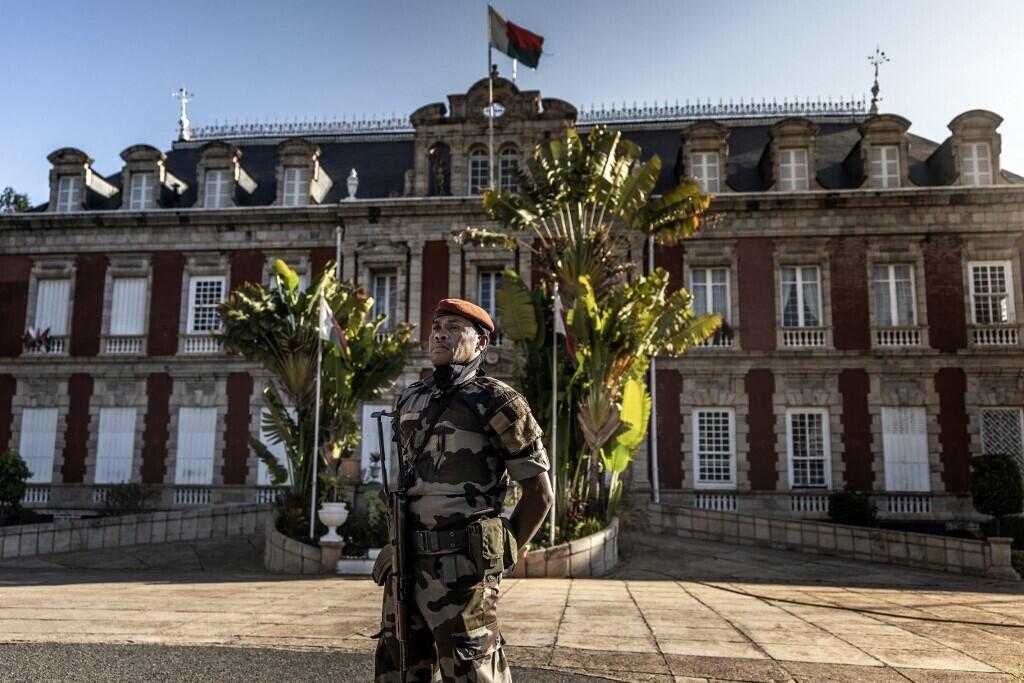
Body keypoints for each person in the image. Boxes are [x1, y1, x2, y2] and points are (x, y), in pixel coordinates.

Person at [374, 298, 553, 683]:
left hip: (463, 572)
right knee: (398, 668)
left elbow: (540, 495)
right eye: (437, 327)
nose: (440, 334)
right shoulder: (411, 397)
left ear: (481, 342)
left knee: (473, 671)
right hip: (404, 566)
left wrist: (499, 557)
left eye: (454, 328)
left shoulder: (499, 400)